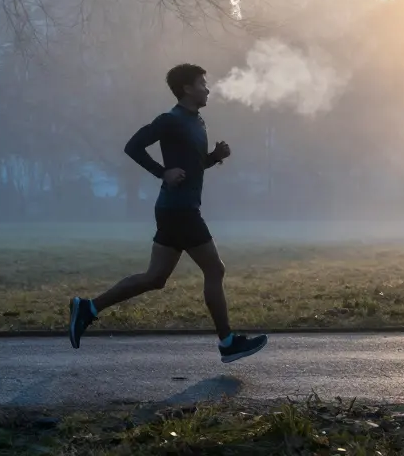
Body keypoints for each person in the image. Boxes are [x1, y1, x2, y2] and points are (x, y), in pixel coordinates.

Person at [67, 63, 268, 363]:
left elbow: (191, 166)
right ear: (187, 88)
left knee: (155, 278)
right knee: (215, 270)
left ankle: (88, 308)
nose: (207, 88)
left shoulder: (197, 121)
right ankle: (227, 342)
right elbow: (133, 146)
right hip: (180, 211)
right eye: (202, 83)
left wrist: (214, 157)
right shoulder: (170, 120)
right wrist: (161, 172)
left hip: (174, 209)